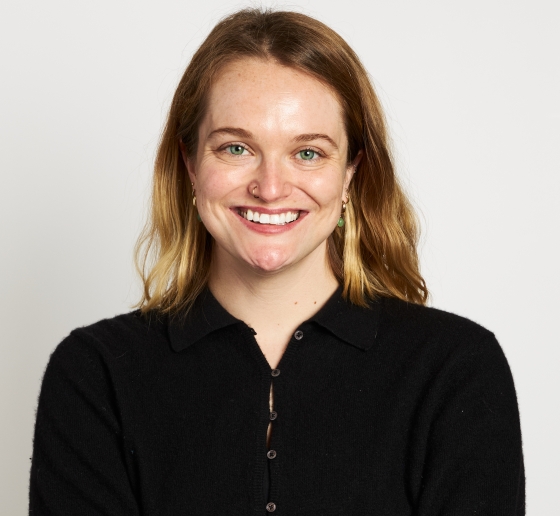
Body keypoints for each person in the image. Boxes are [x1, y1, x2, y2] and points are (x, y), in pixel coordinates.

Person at [29, 8, 524, 515]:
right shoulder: (97, 375)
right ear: (190, 165)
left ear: (351, 171)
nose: (270, 188)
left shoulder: (455, 370)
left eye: (308, 153)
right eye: (236, 147)